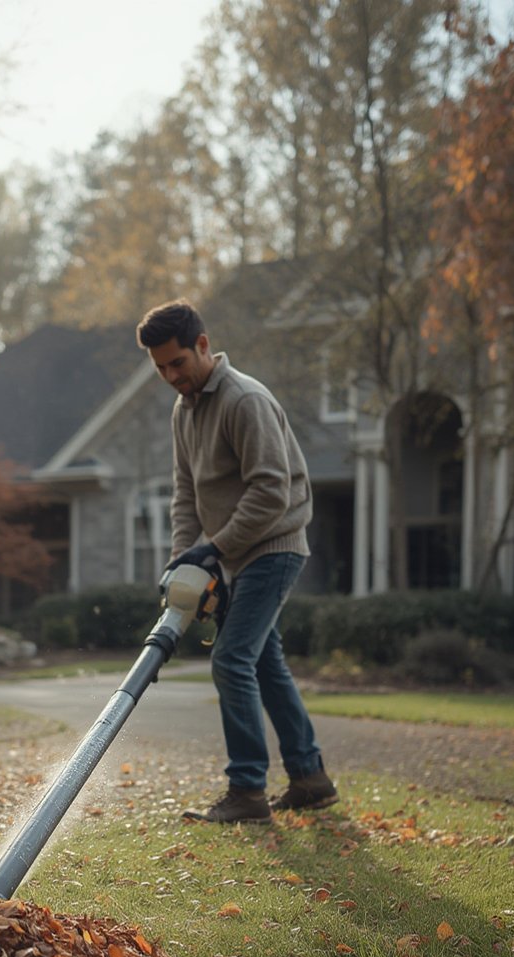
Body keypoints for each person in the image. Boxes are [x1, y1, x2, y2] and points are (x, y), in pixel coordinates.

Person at [136, 298, 337, 823]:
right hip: (233, 557)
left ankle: (247, 791)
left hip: (274, 547)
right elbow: (186, 494)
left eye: (177, 362)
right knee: (265, 663)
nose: (170, 375)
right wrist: (185, 559)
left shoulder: (244, 400)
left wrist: (215, 550)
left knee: (231, 659)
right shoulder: (186, 410)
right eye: (160, 368)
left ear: (203, 345)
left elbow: (271, 493)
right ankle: (310, 778)